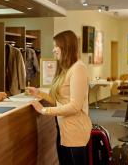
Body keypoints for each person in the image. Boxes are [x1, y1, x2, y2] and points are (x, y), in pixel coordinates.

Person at [27, 30, 92, 165]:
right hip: (64, 130)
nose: (53, 49)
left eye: (56, 46)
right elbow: (59, 100)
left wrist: (44, 111)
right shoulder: (66, 69)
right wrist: (39, 93)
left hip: (75, 131)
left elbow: (75, 106)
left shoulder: (78, 69)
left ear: (65, 47)